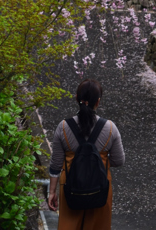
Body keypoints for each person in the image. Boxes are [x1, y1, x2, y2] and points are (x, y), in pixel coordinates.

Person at [48, 79, 125, 229]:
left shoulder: (63, 127)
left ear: (76, 98)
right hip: (100, 186)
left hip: (70, 187)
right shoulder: (110, 128)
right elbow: (118, 160)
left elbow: (56, 165)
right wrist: (99, 159)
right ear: (98, 101)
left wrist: (52, 192)